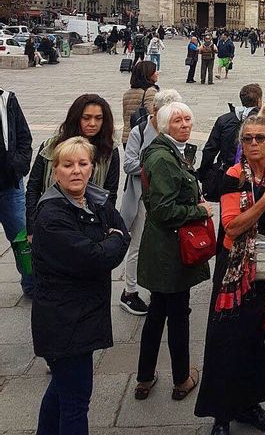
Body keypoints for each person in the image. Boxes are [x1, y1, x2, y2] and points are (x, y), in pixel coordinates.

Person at [195, 115, 265, 434]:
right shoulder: (233, 176)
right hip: (235, 271)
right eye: (247, 139)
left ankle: (249, 405)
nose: (253, 143)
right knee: (227, 340)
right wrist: (264, 200)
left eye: (259, 138)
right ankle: (221, 415)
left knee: (259, 338)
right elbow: (232, 226)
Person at [31, 136, 130, 435]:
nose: (76, 170)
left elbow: (121, 230)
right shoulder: (52, 216)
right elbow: (96, 257)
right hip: (64, 321)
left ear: (92, 168)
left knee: (61, 390)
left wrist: (114, 238)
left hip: (81, 314)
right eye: (67, 165)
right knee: (76, 402)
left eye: (82, 164)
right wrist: (112, 238)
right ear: (55, 171)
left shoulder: (93, 199)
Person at [134, 102, 214, 402]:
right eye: (177, 120)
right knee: (178, 313)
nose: (184, 124)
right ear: (165, 125)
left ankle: (144, 377)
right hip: (170, 250)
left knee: (158, 312)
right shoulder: (164, 159)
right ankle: (181, 378)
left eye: (188, 119)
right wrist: (199, 210)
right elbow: (164, 210)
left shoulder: (166, 152)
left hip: (162, 248)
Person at [120, 89, 182, 316]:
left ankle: (159, 288)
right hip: (142, 196)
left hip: (166, 197)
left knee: (163, 243)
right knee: (137, 243)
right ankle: (130, 291)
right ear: (155, 110)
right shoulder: (140, 130)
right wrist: (156, 169)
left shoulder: (173, 129)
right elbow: (128, 164)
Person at [26, 95, 120, 237]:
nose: (93, 123)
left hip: (91, 222)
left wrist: (106, 224)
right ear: (76, 118)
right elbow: (33, 187)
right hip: (53, 220)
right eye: (86, 118)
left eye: (98, 118)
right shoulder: (50, 147)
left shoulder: (109, 151)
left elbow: (110, 192)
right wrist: (32, 227)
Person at [199, 84, 263, 201]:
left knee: (227, 209)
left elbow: (210, 149)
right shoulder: (263, 122)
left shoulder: (224, 120)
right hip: (255, 175)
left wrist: (204, 173)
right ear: (259, 101)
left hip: (227, 173)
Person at [0, 87, 34, 296]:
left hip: (9, 185)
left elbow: (24, 137)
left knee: (22, 238)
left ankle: (31, 284)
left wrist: (18, 165)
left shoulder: (7, 99)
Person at [121, 61, 159, 147]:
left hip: (127, 137)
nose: (157, 73)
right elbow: (153, 115)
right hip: (142, 137)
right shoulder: (150, 92)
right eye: (155, 71)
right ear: (148, 74)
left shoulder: (127, 93)